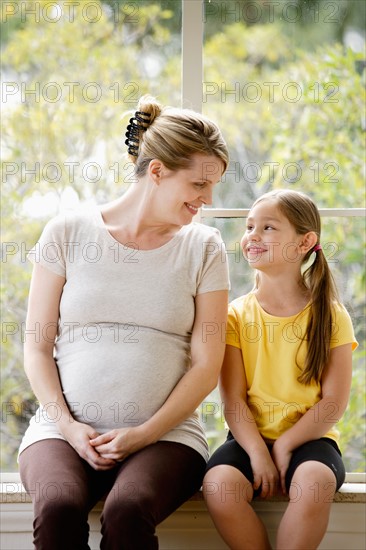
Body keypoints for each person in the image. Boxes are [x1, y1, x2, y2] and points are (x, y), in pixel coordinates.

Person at [18, 95, 230, 549]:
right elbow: (36, 348)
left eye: (213, 186)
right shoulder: (67, 232)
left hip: (166, 438)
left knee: (127, 511)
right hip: (60, 430)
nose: (207, 199)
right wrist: (70, 427)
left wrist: (143, 434)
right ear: (156, 171)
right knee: (57, 507)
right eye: (198, 184)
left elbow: (207, 364)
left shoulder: (204, 247)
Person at [203, 189, 358, 550]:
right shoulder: (235, 316)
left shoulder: (332, 315)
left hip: (311, 440)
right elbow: (234, 401)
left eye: (268, 228)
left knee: (314, 483)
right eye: (249, 227)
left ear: (305, 242)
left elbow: (334, 403)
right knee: (219, 486)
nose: (252, 236)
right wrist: (259, 453)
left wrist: (287, 444)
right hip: (247, 439)